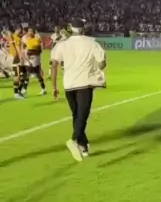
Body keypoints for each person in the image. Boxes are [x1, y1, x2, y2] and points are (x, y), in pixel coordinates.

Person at [50, 18, 107, 161]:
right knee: (82, 115)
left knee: (77, 115)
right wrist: (99, 65)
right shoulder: (92, 43)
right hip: (84, 83)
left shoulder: (62, 45)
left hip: (69, 84)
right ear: (83, 28)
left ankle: (83, 145)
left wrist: (54, 87)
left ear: (71, 28)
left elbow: (54, 64)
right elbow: (102, 64)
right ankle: (74, 140)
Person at [23, 27, 47, 95]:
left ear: (34, 32)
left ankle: (24, 90)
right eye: (28, 31)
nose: (29, 32)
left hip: (35, 59)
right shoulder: (28, 39)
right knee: (37, 75)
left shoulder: (37, 39)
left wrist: (32, 56)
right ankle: (43, 89)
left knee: (29, 74)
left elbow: (39, 50)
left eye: (31, 31)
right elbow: (26, 49)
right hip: (29, 59)